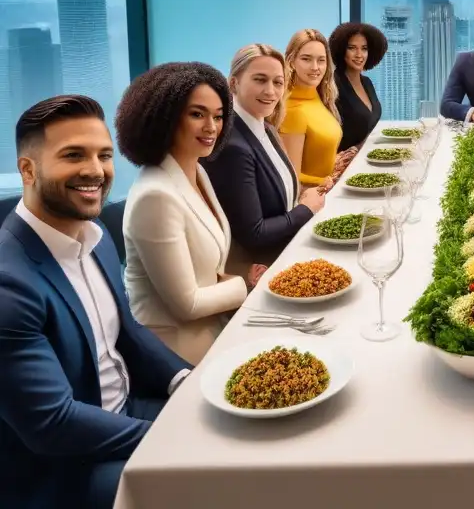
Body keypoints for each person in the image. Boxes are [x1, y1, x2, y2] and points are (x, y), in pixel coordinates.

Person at [0, 95, 191, 509]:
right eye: (73, 155)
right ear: (28, 169)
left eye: (104, 155)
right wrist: (168, 433)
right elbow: (52, 424)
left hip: (129, 410)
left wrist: (186, 383)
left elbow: (129, 331)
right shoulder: (8, 284)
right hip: (69, 468)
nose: (94, 170)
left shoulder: (95, 235)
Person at [118, 63, 256, 365]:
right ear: (164, 117)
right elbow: (187, 305)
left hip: (214, 330)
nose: (211, 127)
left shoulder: (196, 171)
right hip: (176, 352)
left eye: (218, 116)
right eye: (197, 114)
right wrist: (243, 285)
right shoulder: (155, 195)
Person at [204, 44, 325, 272]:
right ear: (234, 83)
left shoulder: (265, 127)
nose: (271, 91)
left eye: (277, 82)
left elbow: (278, 197)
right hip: (266, 268)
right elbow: (254, 233)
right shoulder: (232, 146)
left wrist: (303, 197)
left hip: (289, 249)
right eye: (260, 80)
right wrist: (306, 209)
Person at [279, 28, 350, 187]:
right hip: (313, 203)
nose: (315, 67)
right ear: (291, 61)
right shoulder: (292, 110)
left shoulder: (317, 97)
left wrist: (338, 161)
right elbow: (292, 177)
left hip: (330, 191)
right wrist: (328, 181)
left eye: (321, 60)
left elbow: (317, 153)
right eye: (306, 59)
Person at [329, 22, 386, 151]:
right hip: (344, 163)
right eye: (352, 48)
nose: (359, 54)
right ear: (342, 50)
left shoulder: (367, 82)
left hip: (369, 157)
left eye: (364, 48)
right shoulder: (333, 85)